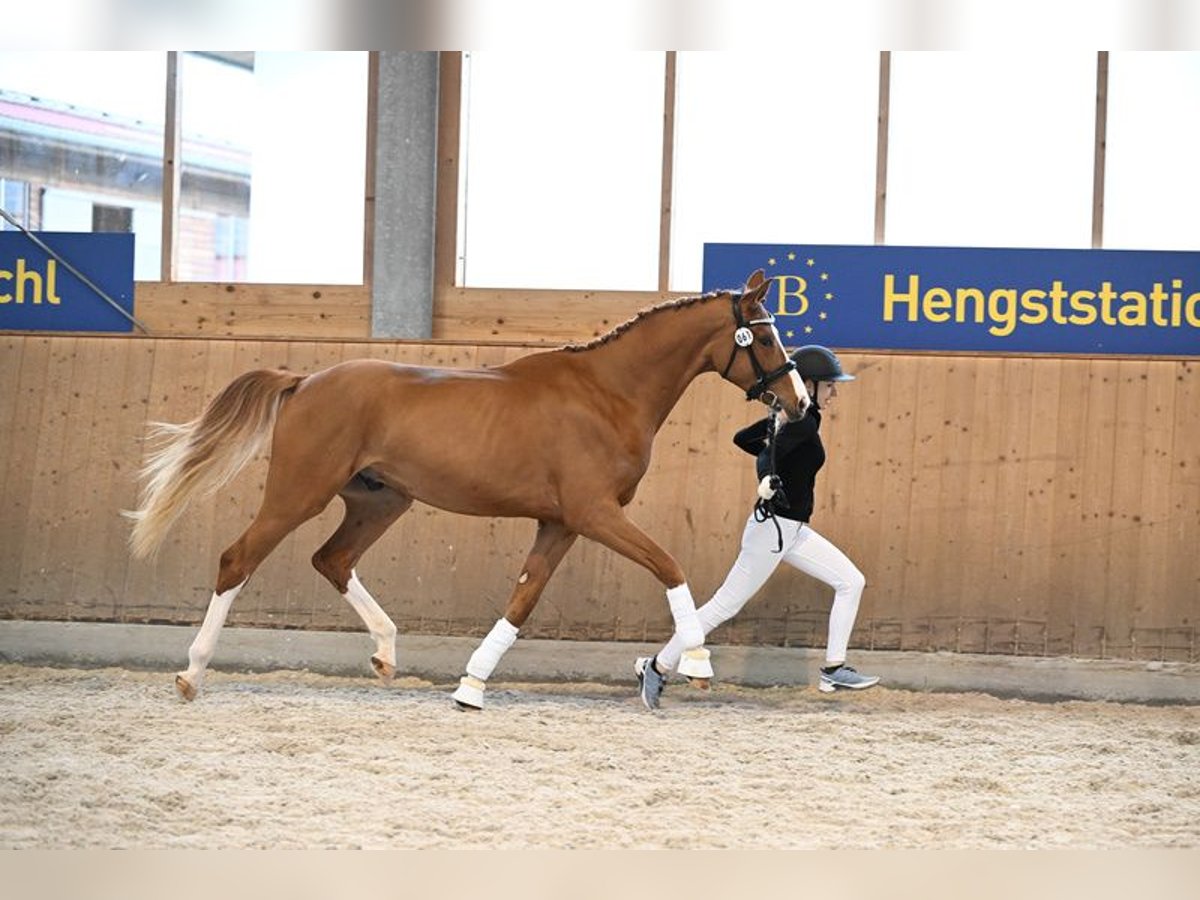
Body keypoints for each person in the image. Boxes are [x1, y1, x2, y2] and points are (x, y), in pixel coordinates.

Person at [635, 344, 879, 710]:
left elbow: (748, 441)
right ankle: (656, 667)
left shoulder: (802, 416)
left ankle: (834, 669)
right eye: (830, 385)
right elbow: (764, 453)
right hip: (772, 531)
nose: (835, 393)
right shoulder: (803, 420)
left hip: (793, 531)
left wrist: (775, 426)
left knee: (851, 581)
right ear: (809, 384)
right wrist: (767, 475)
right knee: (722, 607)